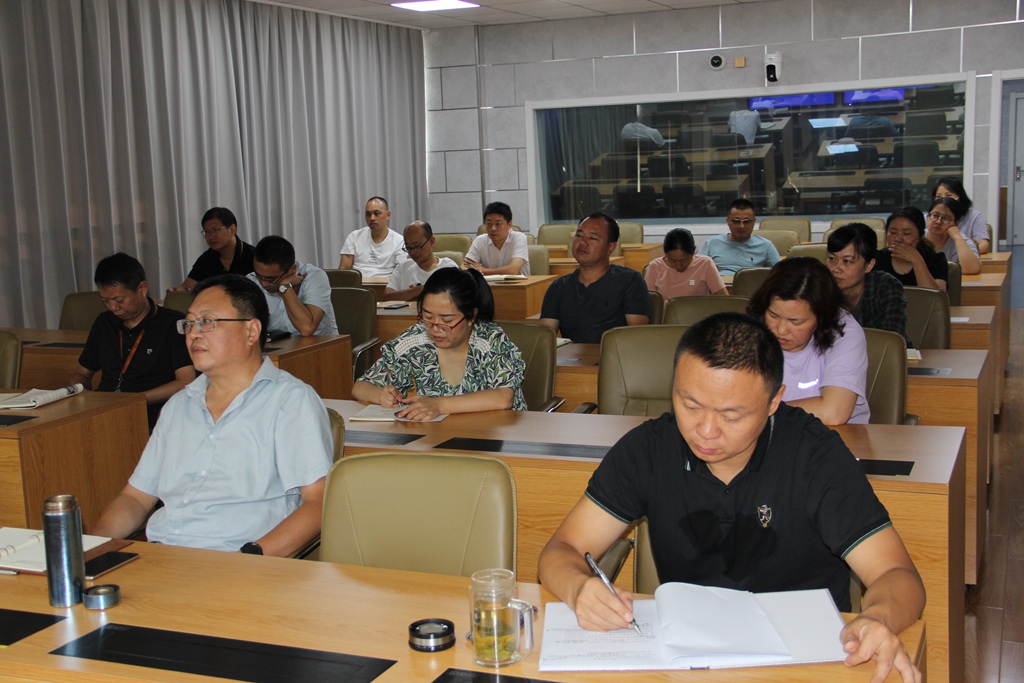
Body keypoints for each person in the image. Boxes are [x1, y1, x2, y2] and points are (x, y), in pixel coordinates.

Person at [537, 313, 924, 683]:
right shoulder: (649, 449)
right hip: (690, 661)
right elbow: (561, 550)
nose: (705, 431)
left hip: (805, 659)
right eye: (690, 405)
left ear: (774, 402)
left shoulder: (815, 456)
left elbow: (897, 575)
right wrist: (578, 588)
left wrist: (879, 617)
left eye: (732, 416)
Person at [92, 275, 332, 556]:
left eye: (207, 322)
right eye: (189, 324)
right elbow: (136, 497)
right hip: (165, 557)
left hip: (242, 561)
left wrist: (248, 561)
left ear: (251, 331)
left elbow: (318, 503)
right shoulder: (178, 406)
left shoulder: (290, 401)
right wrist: (91, 548)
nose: (193, 333)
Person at [353, 268, 527, 420]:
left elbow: (503, 398)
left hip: (495, 436)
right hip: (436, 436)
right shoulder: (415, 342)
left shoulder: (490, 340)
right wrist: (381, 395)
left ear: (471, 316)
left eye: (447, 320)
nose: (435, 329)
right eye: (428, 317)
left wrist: (438, 405)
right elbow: (360, 387)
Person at [70, 253, 195, 430]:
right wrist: (79, 391)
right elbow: (82, 373)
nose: (113, 307)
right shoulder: (104, 322)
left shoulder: (172, 324)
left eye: (119, 300)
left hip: (152, 413)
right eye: (105, 301)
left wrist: (135, 400)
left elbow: (186, 381)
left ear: (142, 289)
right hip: (105, 411)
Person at [748, 258, 870, 425]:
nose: (781, 330)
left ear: (822, 318)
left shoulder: (845, 333)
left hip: (834, 434)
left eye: (795, 322)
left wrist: (756, 412)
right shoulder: (748, 331)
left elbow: (833, 412)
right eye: (773, 315)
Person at [539, 212, 649, 344]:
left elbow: (636, 337)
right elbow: (545, 338)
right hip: (572, 356)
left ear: (610, 247)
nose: (582, 243)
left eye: (592, 238)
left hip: (614, 355)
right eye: (579, 235)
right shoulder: (559, 287)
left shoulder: (630, 281)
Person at [827, 222, 909, 344]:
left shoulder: (885, 286)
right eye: (831, 258)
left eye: (847, 261)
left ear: (869, 265)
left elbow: (891, 339)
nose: (836, 269)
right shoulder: (820, 287)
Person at [248, 235, 338, 336]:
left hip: (323, 344)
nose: (263, 283)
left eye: (271, 279)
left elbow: (307, 328)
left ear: (292, 270)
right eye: (258, 276)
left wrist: (285, 287)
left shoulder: (314, 277)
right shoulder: (251, 282)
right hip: (281, 345)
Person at [170, 207, 255, 292]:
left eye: (215, 230)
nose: (210, 236)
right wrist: (176, 292)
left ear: (232, 229)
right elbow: (187, 287)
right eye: (207, 232)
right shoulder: (207, 259)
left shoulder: (253, 256)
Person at [698, 198, 781, 276]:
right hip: (721, 285)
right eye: (736, 221)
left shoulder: (766, 246)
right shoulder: (712, 243)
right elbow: (698, 272)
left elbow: (781, 274)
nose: (741, 226)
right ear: (728, 221)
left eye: (746, 222)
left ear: (754, 222)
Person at [383, 220, 458, 301]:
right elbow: (388, 297)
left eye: (417, 246)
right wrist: (419, 290)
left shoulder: (448, 268)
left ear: (431, 242)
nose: (412, 252)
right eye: (408, 247)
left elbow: (456, 299)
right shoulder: (403, 267)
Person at [876, 207, 948, 291]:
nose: (898, 239)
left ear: (920, 236)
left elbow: (936, 297)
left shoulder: (936, 260)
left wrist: (917, 261)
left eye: (906, 233)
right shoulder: (877, 259)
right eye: (893, 232)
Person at [643, 228, 727, 299]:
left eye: (684, 260)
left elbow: (724, 299)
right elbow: (648, 302)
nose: (678, 266)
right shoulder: (655, 267)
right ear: (666, 254)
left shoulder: (705, 263)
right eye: (673, 260)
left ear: (693, 252)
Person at [338, 197, 407, 276]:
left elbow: (402, 273)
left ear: (388, 215)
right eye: (368, 214)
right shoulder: (354, 237)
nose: (372, 218)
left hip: (387, 283)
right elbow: (343, 269)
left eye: (376, 213)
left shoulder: (399, 241)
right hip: (358, 283)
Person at [463, 201, 530, 276]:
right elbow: (465, 266)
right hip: (488, 283)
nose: (493, 228)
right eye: (489, 224)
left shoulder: (519, 238)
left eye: (498, 224)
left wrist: (483, 270)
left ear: (509, 224)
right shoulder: (480, 240)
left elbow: (513, 270)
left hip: (518, 283)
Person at [933, 176, 990, 254]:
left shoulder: (973, 216)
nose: (943, 200)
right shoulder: (930, 218)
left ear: (960, 197)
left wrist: (960, 253)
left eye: (948, 196)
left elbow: (984, 245)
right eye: (938, 197)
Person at [925, 197, 981, 275]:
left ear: (956, 222)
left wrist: (957, 237)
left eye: (945, 218)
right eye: (935, 216)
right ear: (928, 217)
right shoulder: (917, 237)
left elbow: (972, 269)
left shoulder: (961, 240)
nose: (938, 221)